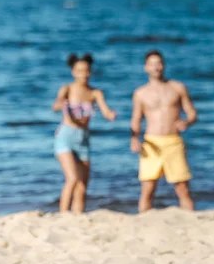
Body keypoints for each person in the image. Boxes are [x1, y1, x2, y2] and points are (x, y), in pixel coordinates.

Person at [130, 50, 197, 212]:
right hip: (151, 143)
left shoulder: (177, 88)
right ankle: (143, 220)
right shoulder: (140, 93)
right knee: (148, 187)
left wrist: (186, 121)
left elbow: (192, 113)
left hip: (173, 141)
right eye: (152, 64)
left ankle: (190, 218)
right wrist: (134, 139)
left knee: (182, 187)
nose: (156, 67)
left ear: (164, 65)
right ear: (146, 67)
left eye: (159, 63)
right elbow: (136, 119)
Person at [52, 53, 117, 213]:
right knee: (72, 179)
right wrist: (61, 105)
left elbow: (105, 111)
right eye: (79, 71)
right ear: (73, 72)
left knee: (82, 185)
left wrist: (111, 115)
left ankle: (77, 217)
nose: (84, 75)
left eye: (87, 71)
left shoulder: (95, 93)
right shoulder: (67, 89)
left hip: (83, 139)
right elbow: (56, 105)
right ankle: (62, 214)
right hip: (65, 137)